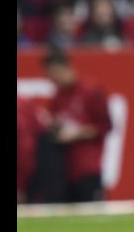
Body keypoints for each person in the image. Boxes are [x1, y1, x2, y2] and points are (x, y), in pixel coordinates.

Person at [44, 48, 113, 202]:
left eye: (54, 74)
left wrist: (77, 134)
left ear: (63, 68)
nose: (53, 80)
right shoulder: (58, 97)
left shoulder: (90, 91)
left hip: (88, 167)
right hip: (65, 169)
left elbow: (105, 126)